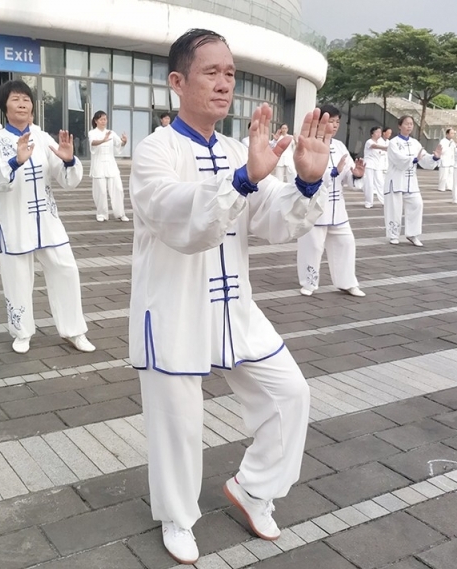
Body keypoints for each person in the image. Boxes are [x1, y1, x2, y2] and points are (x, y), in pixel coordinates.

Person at [129, 28, 331, 566]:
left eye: (230, 74)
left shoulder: (241, 149)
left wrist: (306, 183)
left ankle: (255, 488)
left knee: (290, 394)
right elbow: (183, 222)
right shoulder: (156, 152)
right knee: (178, 422)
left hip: (233, 305)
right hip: (173, 308)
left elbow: (270, 220)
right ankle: (177, 516)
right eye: (210, 72)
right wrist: (242, 179)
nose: (224, 84)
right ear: (178, 81)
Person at [0, 80, 95, 354]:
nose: (22, 103)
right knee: (17, 278)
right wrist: (15, 161)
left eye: (26, 99)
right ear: (5, 106)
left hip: (48, 222)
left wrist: (68, 160)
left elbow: (67, 180)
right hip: (14, 223)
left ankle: (74, 331)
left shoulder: (42, 138)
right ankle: (22, 332)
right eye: (15, 99)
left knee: (66, 270)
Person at [297, 104, 365, 298]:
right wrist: (333, 172)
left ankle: (347, 282)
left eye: (337, 122)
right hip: (315, 205)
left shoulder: (339, 146)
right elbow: (308, 175)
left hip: (337, 208)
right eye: (331, 121)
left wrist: (357, 175)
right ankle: (309, 282)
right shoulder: (308, 143)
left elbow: (347, 178)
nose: (334, 126)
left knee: (346, 242)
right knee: (313, 246)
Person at [384, 115, 441, 246]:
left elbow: (424, 157)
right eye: (406, 124)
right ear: (399, 125)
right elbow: (398, 159)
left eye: (411, 124)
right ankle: (394, 235)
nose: (409, 126)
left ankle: (412, 234)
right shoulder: (393, 142)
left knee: (417, 204)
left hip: (411, 181)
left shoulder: (415, 143)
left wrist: (434, 158)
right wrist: (413, 160)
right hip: (396, 180)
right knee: (394, 208)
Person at [88, 111, 129, 222]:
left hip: (111, 165)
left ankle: (120, 214)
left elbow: (119, 144)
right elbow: (92, 143)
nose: (103, 121)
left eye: (105, 119)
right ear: (96, 121)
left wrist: (124, 142)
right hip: (98, 165)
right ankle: (101, 214)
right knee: (100, 190)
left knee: (118, 188)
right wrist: (103, 140)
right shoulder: (92, 132)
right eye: (101, 119)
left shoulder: (111, 133)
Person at [362, 126, 388, 208]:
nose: (379, 134)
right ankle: (368, 202)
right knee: (369, 184)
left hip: (377, 166)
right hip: (369, 165)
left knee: (380, 183)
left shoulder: (380, 143)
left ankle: (384, 201)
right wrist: (385, 148)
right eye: (377, 132)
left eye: (380, 132)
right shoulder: (369, 142)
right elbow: (374, 146)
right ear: (372, 134)